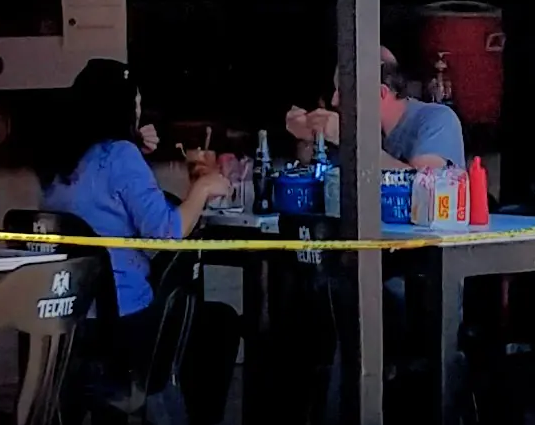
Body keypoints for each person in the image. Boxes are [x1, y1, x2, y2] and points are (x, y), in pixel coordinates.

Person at [37, 60, 236, 323]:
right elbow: (166, 232)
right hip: (122, 309)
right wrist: (204, 187)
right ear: (124, 109)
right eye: (137, 104)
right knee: (220, 319)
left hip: (71, 308)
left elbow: (104, 193)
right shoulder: (121, 155)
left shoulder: (62, 157)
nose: (140, 112)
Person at [281, 50, 467, 194]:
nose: (334, 101)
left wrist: (349, 139)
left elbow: (425, 186)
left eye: (344, 91)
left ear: (380, 94)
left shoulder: (438, 120)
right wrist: (309, 138)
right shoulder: (364, 128)